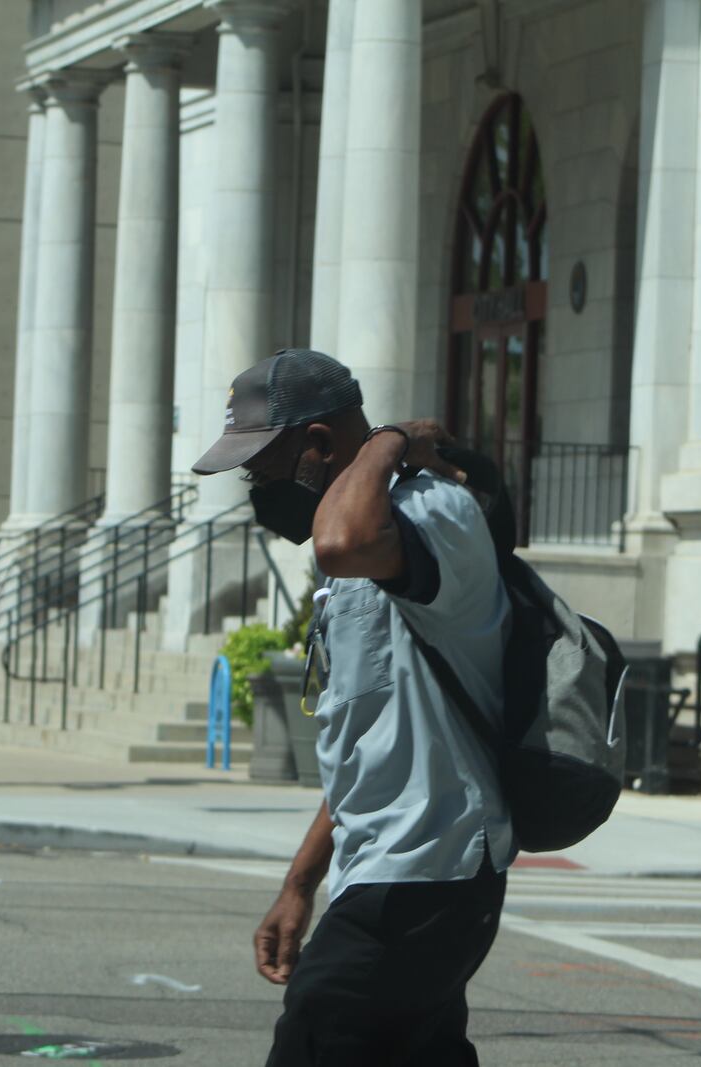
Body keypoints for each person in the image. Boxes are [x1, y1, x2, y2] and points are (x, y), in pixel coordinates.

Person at [191, 349, 515, 1066]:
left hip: (432, 869)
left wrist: (391, 437)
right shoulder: (355, 554)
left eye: (263, 462)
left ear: (318, 445)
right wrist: (300, 882)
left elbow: (341, 540)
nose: (256, 483)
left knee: (316, 1029)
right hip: (390, 870)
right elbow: (367, 745)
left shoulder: (432, 514)